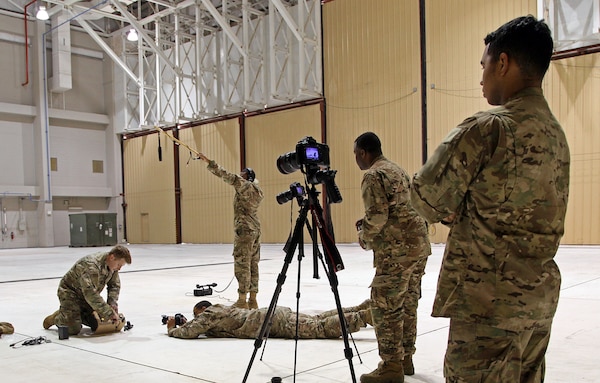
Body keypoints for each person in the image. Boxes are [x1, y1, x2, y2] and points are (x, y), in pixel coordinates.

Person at [410, 15, 570, 383]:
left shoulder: (489, 127)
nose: (481, 78)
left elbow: (424, 198)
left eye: (484, 66)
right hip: (537, 305)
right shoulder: (556, 136)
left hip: (488, 310)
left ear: (502, 63)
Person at [353, 132, 431, 383]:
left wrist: (363, 236)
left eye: (356, 154)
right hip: (418, 246)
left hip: (397, 251)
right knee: (408, 304)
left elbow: (377, 217)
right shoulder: (397, 169)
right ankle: (405, 358)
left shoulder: (373, 175)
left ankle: (391, 365)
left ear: (364, 153)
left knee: (384, 307)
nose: (357, 159)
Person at [197, 152, 264, 310]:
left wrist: (208, 161)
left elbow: (226, 175)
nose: (240, 175)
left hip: (244, 230)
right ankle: (253, 299)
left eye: (243, 174)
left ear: (247, 177)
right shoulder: (258, 191)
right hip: (255, 229)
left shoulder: (244, 185)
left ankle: (242, 300)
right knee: (254, 264)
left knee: (242, 264)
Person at [166, 299, 372, 339]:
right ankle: (360, 308)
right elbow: (199, 327)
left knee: (319, 329)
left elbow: (190, 332)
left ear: (203, 308)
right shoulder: (220, 312)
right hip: (273, 315)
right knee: (317, 319)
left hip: (272, 321)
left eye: (196, 314)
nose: (195, 318)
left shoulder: (210, 314)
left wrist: (172, 329)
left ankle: (365, 316)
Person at [43, 245, 132, 335]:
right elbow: (90, 294)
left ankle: (74, 312)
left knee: (97, 323)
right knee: (72, 329)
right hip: (70, 293)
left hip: (87, 298)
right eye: (119, 265)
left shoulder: (112, 266)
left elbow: (114, 286)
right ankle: (57, 317)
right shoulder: (91, 266)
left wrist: (112, 304)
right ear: (112, 257)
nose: (119, 268)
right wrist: (109, 313)